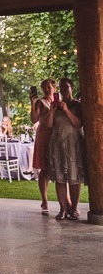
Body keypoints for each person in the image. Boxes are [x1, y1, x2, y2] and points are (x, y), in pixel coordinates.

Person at [46, 78, 86, 221]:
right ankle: (63, 209)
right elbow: (49, 124)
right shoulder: (55, 105)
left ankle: (74, 209)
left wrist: (66, 110)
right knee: (60, 179)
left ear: (72, 88)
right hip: (58, 144)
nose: (63, 90)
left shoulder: (77, 105)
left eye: (66, 87)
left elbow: (78, 124)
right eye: (61, 88)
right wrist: (52, 110)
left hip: (73, 144)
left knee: (74, 179)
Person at [30, 79, 56, 215]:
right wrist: (32, 103)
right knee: (44, 169)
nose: (46, 90)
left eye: (48, 87)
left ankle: (67, 201)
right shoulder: (41, 102)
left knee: (61, 170)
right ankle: (44, 200)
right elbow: (34, 119)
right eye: (44, 88)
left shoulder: (58, 101)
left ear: (54, 87)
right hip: (44, 136)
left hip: (57, 136)